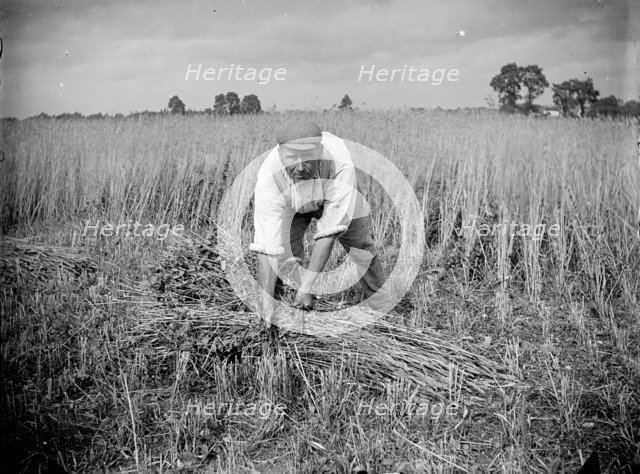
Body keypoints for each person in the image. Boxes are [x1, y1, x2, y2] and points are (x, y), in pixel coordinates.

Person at [249, 119, 399, 328]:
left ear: (319, 152)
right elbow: (266, 245)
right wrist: (266, 300)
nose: (300, 167)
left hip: (334, 196)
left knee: (361, 249)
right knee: (286, 255)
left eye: (308, 160)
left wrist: (308, 287)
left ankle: (383, 310)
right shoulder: (268, 176)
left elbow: (329, 232)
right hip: (292, 203)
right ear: (281, 153)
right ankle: (283, 309)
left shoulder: (340, 164)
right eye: (292, 158)